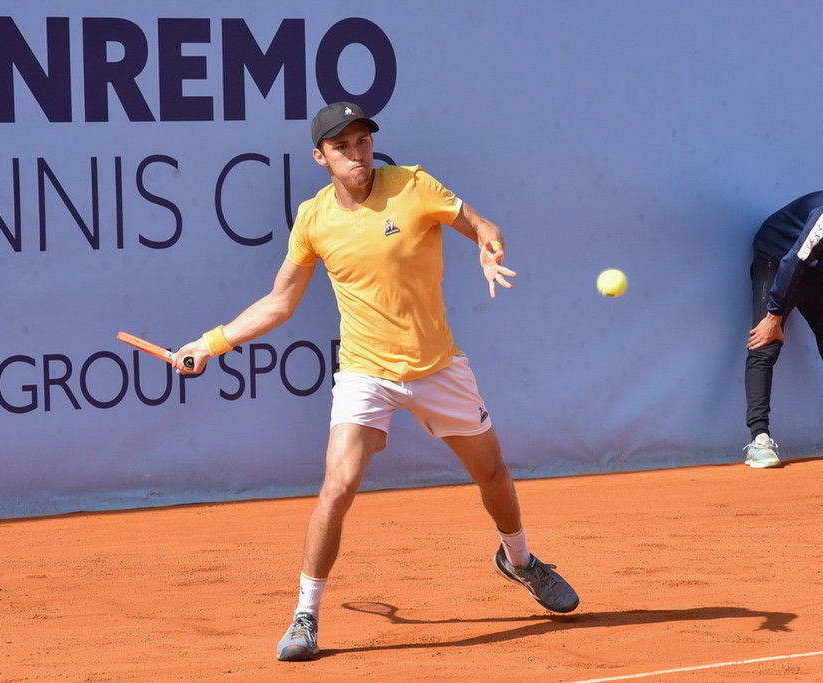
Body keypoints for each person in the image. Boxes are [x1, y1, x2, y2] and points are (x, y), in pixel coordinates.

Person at [173, 101, 579, 661]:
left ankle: (520, 561)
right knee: (337, 486)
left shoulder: (412, 185)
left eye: (362, 141)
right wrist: (210, 343)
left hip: (437, 366)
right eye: (342, 147)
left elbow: (482, 225)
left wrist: (488, 247)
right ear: (321, 158)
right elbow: (280, 302)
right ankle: (305, 616)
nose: (357, 154)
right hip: (365, 371)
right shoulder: (313, 219)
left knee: (492, 473)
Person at [743, 191, 823, 468]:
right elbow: (794, 260)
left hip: (817, 270)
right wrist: (773, 315)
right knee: (765, 343)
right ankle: (759, 440)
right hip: (777, 258)